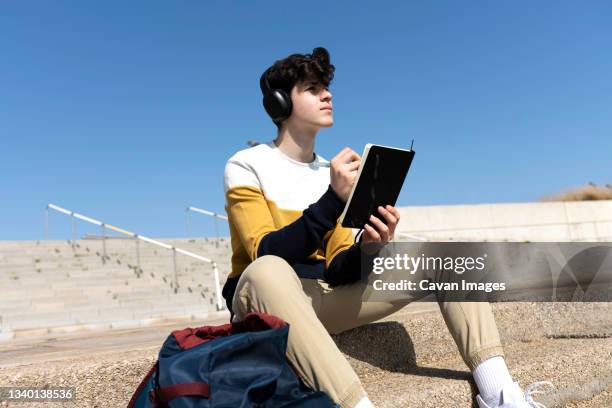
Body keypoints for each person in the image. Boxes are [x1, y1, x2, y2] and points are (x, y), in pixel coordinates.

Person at [222, 47, 551, 408]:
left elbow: (337, 269)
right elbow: (265, 253)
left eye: (326, 87)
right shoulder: (247, 164)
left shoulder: (330, 173)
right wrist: (333, 198)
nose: (328, 95)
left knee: (451, 256)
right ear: (280, 103)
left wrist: (370, 247)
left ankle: (501, 394)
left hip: (322, 299)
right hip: (266, 302)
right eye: (313, 88)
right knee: (268, 271)